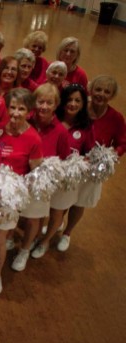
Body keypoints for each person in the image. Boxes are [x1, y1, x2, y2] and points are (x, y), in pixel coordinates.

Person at [59, 76, 126, 252]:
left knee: (79, 201)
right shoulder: (80, 107)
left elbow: (122, 143)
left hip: (94, 167)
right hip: (72, 162)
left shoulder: (116, 118)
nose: (101, 94)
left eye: (106, 92)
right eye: (98, 89)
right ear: (91, 89)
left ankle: (67, 232)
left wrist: (110, 156)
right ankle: (57, 222)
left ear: (111, 95)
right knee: (64, 195)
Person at [32, 83, 94, 259]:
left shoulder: (85, 126)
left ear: (83, 104)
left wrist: (77, 165)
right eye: (69, 100)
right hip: (42, 177)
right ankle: (36, 237)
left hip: (65, 176)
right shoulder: (50, 119)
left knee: (57, 210)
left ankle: (45, 242)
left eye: (77, 100)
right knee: (41, 210)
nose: (72, 104)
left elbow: (87, 153)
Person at [13, 83, 70, 272]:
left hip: (40, 183)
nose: (44, 106)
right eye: (40, 101)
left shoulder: (60, 131)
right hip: (19, 177)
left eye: (49, 103)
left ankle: (25, 250)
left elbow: (64, 159)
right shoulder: (24, 121)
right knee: (16, 214)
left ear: (56, 105)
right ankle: (13, 239)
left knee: (33, 218)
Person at [0, 88, 42, 296]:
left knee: (0, 237)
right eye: (12, 107)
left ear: (29, 112)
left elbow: (34, 173)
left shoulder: (33, 138)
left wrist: (13, 191)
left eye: (21, 109)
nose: (16, 113)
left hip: (10, 196)